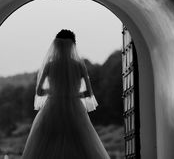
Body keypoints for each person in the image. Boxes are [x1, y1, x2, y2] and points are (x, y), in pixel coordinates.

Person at [22, 29, 110, 159]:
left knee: (47, 143)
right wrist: (72, 94)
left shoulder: (49, 66)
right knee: (80, 142)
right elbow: (88, 93)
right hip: (75, 107)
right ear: (73, 46)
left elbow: (39, 92)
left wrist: (55, 92)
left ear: (56, 46)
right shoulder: (79, 66)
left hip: (52, 108)